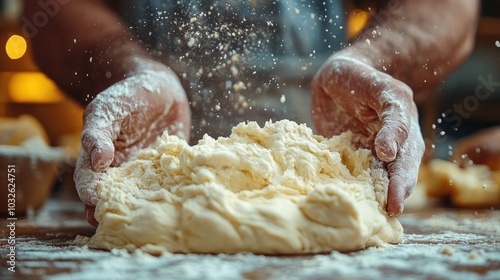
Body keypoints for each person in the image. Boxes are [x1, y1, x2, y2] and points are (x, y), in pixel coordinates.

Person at [23, 0, 479, 226]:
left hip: (332, 172)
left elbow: (450, 7)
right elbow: (45, 10)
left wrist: (372, 62)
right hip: (138, 172)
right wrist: (129, 71)